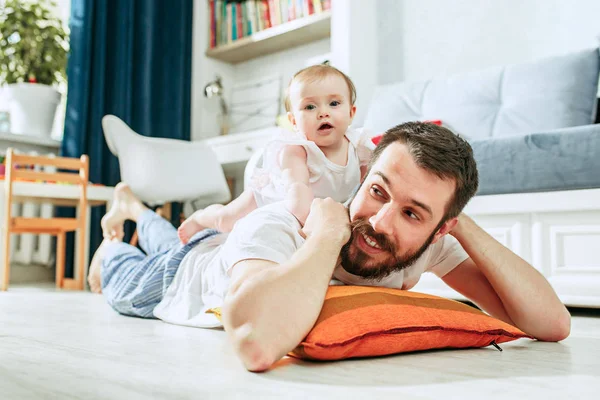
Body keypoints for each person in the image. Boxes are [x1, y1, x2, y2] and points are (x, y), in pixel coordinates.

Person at [88, 121, 571, 373]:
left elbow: (551, 324)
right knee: (124, 271)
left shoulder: (433, 244)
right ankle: (116, 234)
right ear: (363, 178)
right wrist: (325, 235)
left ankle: (136, 209)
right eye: (377, 191)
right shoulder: (288, 221)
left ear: (440, 229)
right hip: (177, 278)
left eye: (413, 213)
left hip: (215, 249)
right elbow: (256, 344)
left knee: (165, 233)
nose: (378, 223)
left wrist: (463, 227)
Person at [174, 64, 374, 244]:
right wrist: (315, 230)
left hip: (322, 206)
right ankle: (201, 217)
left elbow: (367, 186)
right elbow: (298, 193)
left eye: (334, 103)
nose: (323, 112)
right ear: (294, 121)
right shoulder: (296, 150)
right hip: (271, 196)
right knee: (227, 220)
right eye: (310, 106)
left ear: (351, 112)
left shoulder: (359, 147)